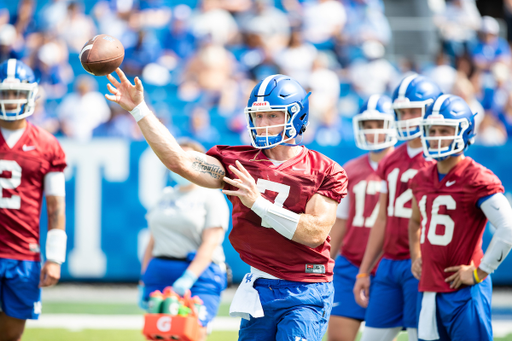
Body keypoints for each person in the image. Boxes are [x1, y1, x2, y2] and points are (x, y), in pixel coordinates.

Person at [105, 69, 348, 341]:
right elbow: (180, 162)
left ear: (296, 116)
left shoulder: (324, 169)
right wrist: (140, 110)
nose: (263, 122)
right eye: (258, 115)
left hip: (305, 286)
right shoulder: (237, 162)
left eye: (272, 115)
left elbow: (314, 233)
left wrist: (258, 203)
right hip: (259, 285)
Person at [409, 94, 512, 341]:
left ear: (464, 133)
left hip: (464, 290)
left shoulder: (476, 177)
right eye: (432, 130)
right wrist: (416, 254)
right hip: (428, 288)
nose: (436, 137)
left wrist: (479, 272)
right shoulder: (421, 177)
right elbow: (414, 221)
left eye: (445, 130)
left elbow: (507, 229)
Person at [353, 74, 442, 341]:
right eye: (402, 112)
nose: (407, 118)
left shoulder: (440, 160)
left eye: (414, 110)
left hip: (422, 264)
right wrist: (365, 269)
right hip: (389, 263)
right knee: (372, 336)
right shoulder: (391, 160)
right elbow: (382, 218)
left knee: (420, 335)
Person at [0, 59, 67, 341]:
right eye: (6, 93)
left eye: (17, 93)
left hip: (22, 252)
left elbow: (56, 206)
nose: (12, 100)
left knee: (12, 335)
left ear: (30, 95)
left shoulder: (47, 144)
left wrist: (54, 258)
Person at [140, 138, 230, 340]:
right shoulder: (165, 196)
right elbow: (153, 241)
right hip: (160, 272)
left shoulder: (211, 196)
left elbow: (211, 241)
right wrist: (144, 277)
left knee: (191, 332)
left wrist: (189, 277)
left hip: (199, 275)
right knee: (159, 333)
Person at [328, 94, 397, 341]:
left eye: (378, 124)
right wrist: (327, 262)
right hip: (351, 263)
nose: (373, 131)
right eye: (367, 125)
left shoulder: (406, 167)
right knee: (337, 337)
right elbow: (341, 222)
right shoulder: (352, 169)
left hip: (391, 266)